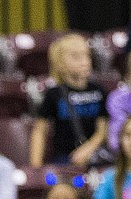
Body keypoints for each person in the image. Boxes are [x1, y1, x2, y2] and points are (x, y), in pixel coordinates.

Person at [30, 33, 110, 169]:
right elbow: (40, 130)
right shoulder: (54, 94)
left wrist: (88, 149)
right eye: (76, 57)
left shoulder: (98, 90)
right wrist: (35, 167)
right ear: (60, 64)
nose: (85, 61)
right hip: (64, 158)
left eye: (87, 55)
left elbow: (103, 129)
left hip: (94, 156)